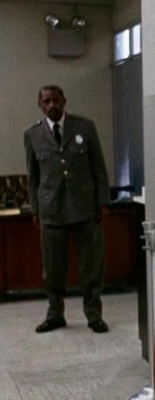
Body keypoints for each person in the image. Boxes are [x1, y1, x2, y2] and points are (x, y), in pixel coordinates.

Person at [24, 85, 111, 334]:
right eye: (46, 101)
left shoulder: (84, 127)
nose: (52, 105)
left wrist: (103, 202)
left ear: (64, 101)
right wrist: (36, 210)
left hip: (85, 209)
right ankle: (55, 314)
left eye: (56, 100)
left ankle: (94, 315)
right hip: (52, 210)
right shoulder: (32, 134)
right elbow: (33, 177)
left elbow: (99, 168)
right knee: (53, 268)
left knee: (91, 267)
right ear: (40, 105)